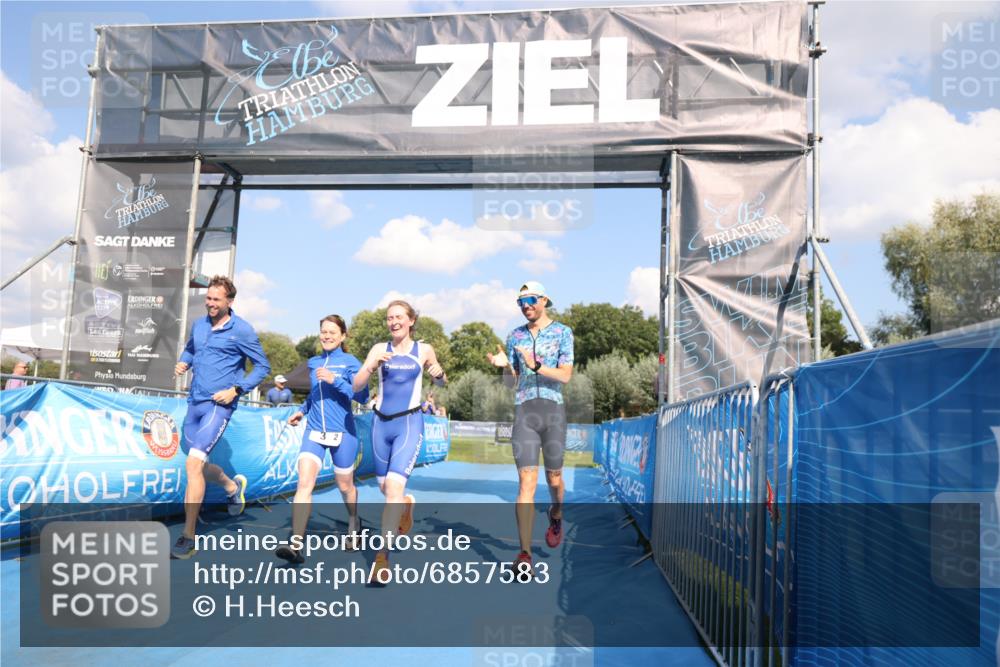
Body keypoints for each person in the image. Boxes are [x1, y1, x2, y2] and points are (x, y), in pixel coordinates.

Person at [171, 275, 270, 559]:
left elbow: (262, 366)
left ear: (229, 301)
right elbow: (191, 348)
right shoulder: (199, 325)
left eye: (216, 299)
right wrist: (183, 362)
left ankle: (188, 535)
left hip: (219, 404)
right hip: (195, 403)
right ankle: (231, 485)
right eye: (208, 298)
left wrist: (236, 390)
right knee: (198, 467)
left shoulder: (242, 330)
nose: (210, 304)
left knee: (193, 464)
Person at [353, 300, 446, 583]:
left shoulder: (424, 350)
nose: (393, 322)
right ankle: (406, 504)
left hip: (409, 422)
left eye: (398, 317)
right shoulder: (379, 349)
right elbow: (356, 386)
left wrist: (438, 374)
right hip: (380, 424)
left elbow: (442, 381)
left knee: (392, 487)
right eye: (389, 318)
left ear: (411, 321)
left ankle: (382, 559)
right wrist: (370, 366)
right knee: (385, 488)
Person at [487, 281, 574, 579]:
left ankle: (557, 513)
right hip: (524, 412)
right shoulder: (515, 336)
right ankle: (524, 553)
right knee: (526, 482)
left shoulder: (563, 332)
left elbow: (565, 376)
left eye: (531, 299)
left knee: (555, 478)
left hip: (553, 411)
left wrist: (535, 365)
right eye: (521, 301)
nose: (526, 305)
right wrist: (502, 367)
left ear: (545, 300)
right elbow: (511, 382)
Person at [276, 315, 368, 564]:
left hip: (343, 433)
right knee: (304, 483)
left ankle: (353, 520)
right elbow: (315, 395)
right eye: (323, 332)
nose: (326, 336)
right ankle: (296, 543)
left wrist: (335, 380)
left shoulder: (350, 363)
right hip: (314, 430)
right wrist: (302, 411)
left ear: (342, 335)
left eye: (332, 332)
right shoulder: (314, 361)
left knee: (345, 486)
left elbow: (362, 396)